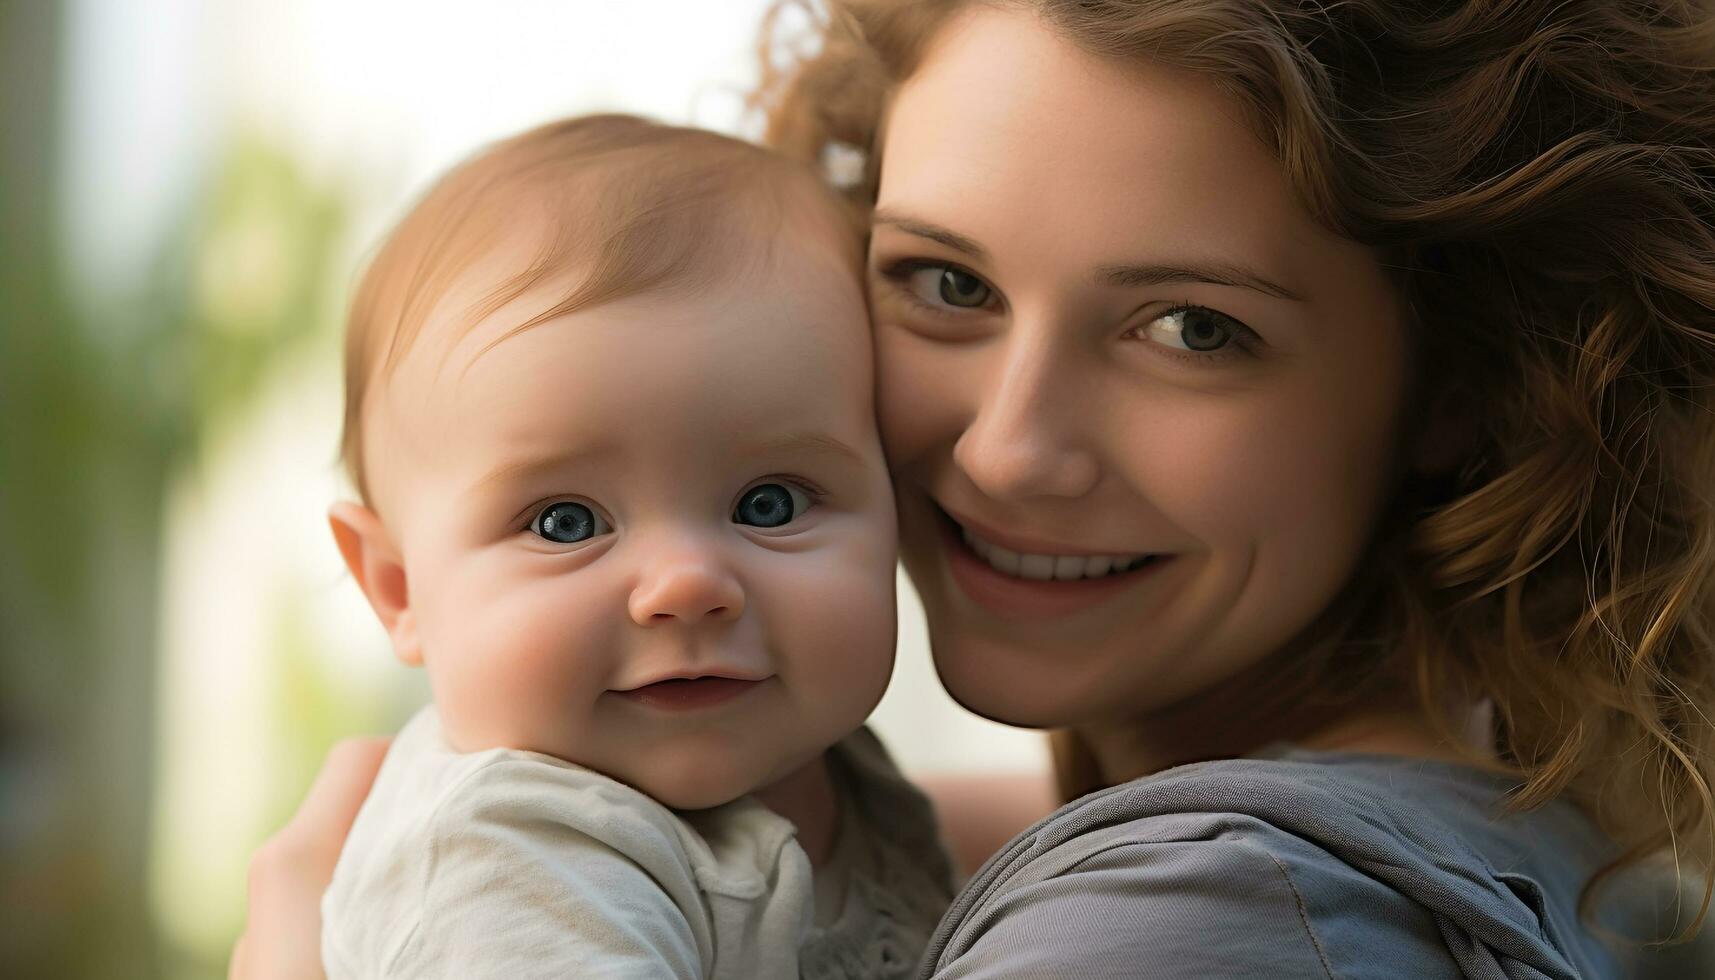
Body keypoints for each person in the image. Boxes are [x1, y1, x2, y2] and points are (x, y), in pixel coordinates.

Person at [232, 1, 1715, 977]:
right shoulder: (1529, 818)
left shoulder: (1180, 923)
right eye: (942, 282)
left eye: (1193, 329)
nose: (1008, 448)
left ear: (1455, 383)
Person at [312, 114, 952, 980]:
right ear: (398, 589)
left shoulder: (831, 770)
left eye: (768, 504)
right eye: (565, 523)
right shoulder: (511, 861)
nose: (685, 585)